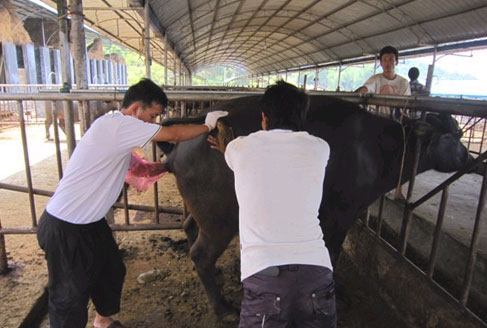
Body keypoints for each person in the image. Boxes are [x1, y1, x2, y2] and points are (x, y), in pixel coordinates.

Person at [36, 78, 228, 328]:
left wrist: (165, 166)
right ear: (137, 108)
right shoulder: (119, 124)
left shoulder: (115, 130)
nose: (152, 122)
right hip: (66, 227)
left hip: (91, 224)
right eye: (152, 115)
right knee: (69, 297)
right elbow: (174, 134)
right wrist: (207, 125)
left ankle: (103, 321)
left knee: (112, 271)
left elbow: (136, 167)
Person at [209, 81, 336, 327]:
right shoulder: (320, 148)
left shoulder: (239, 148)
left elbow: (232, 153)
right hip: (317, 273)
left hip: (265, 276)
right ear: (302, 116)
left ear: (264, 117)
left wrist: (225, 144)